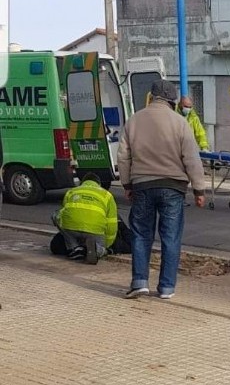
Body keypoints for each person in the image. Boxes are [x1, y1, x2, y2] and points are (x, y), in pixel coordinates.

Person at [118, 79, 206, 300]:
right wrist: (199, 190)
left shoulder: (134, 121)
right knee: (171, 237)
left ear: (152, 96)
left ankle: (139, 281)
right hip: (173, 187)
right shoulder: (180, 123)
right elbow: (192, 158)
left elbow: (123, 156)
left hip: (142, 185)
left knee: (140, 234)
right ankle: (166, 287)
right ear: (172, 100)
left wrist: (127, 184)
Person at [51, 172, 117, 264]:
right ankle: (98, 250)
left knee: (56, 215)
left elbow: (63, 213)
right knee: (100, 247)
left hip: (71, 229)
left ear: (82, 182)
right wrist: (106, 244)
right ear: (99, 184)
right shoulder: (107, 195)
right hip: (94, 231)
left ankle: (74, 247)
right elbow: (112, 224)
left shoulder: (72, 191)